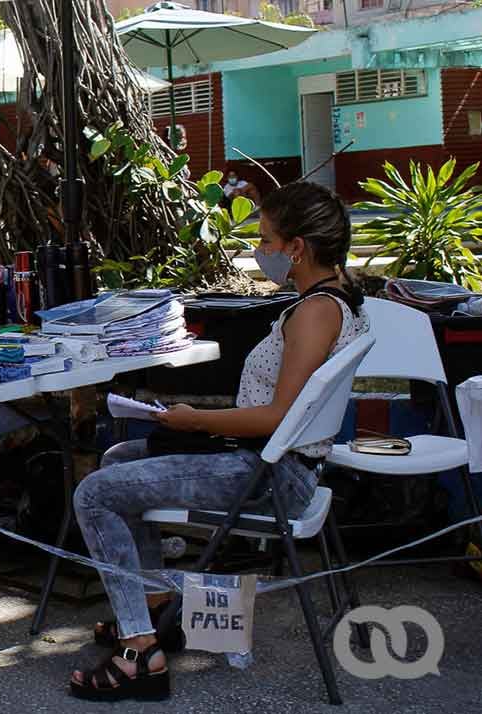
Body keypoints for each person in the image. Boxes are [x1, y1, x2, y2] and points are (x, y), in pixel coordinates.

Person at [67, 181, 369, 702]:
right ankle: (158, 607)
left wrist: (198, 422)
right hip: (274, 464)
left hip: (271, 474)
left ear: (297, 248)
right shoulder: (334, 298)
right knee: (118, 458)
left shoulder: (316, 312)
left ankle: (141, 652)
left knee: (94, 493)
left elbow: (277, 418)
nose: (262, 251)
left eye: (268, 240)